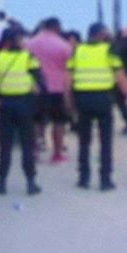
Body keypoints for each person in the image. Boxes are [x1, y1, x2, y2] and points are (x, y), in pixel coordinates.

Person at [68, 23, 127, 189]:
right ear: (100, 35)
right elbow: (121, 77)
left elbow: (68, 78)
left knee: (84, 141)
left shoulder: (77, 51)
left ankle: (83, 178)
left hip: (83, 99)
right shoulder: (109, 50)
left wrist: (68, 100)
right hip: (103, 99)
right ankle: (105, 180)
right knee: (105, 142)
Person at [0, 29, 44, 195]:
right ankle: (31, 182)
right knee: (27, 144)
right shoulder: (28, 57)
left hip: (5, 104)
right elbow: (38, 79)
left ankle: (1, 182)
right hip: (24, 103)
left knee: (5, 146)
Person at [26, 16, 75, 162]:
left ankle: (34, 152)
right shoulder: (64, 46)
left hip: (36, 87)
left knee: (36, 121)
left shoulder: (29, 44)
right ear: (57, 27)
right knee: (58, 122)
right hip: (57, 88)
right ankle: (57, 154)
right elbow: (68, 70)